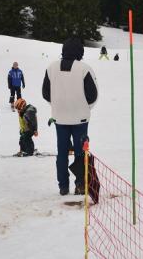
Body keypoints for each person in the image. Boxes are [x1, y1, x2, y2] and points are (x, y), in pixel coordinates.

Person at [42, 37, 98, 196]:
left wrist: (58, 105)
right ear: (80, 52)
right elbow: (93, 95)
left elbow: (46, 93)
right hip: (80, 118)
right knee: (81, 152)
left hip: (60, 118)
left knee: (62, 152)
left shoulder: (51, 68)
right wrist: (85, 107)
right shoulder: (84, 68)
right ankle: (80, 184)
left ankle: (63, 186)